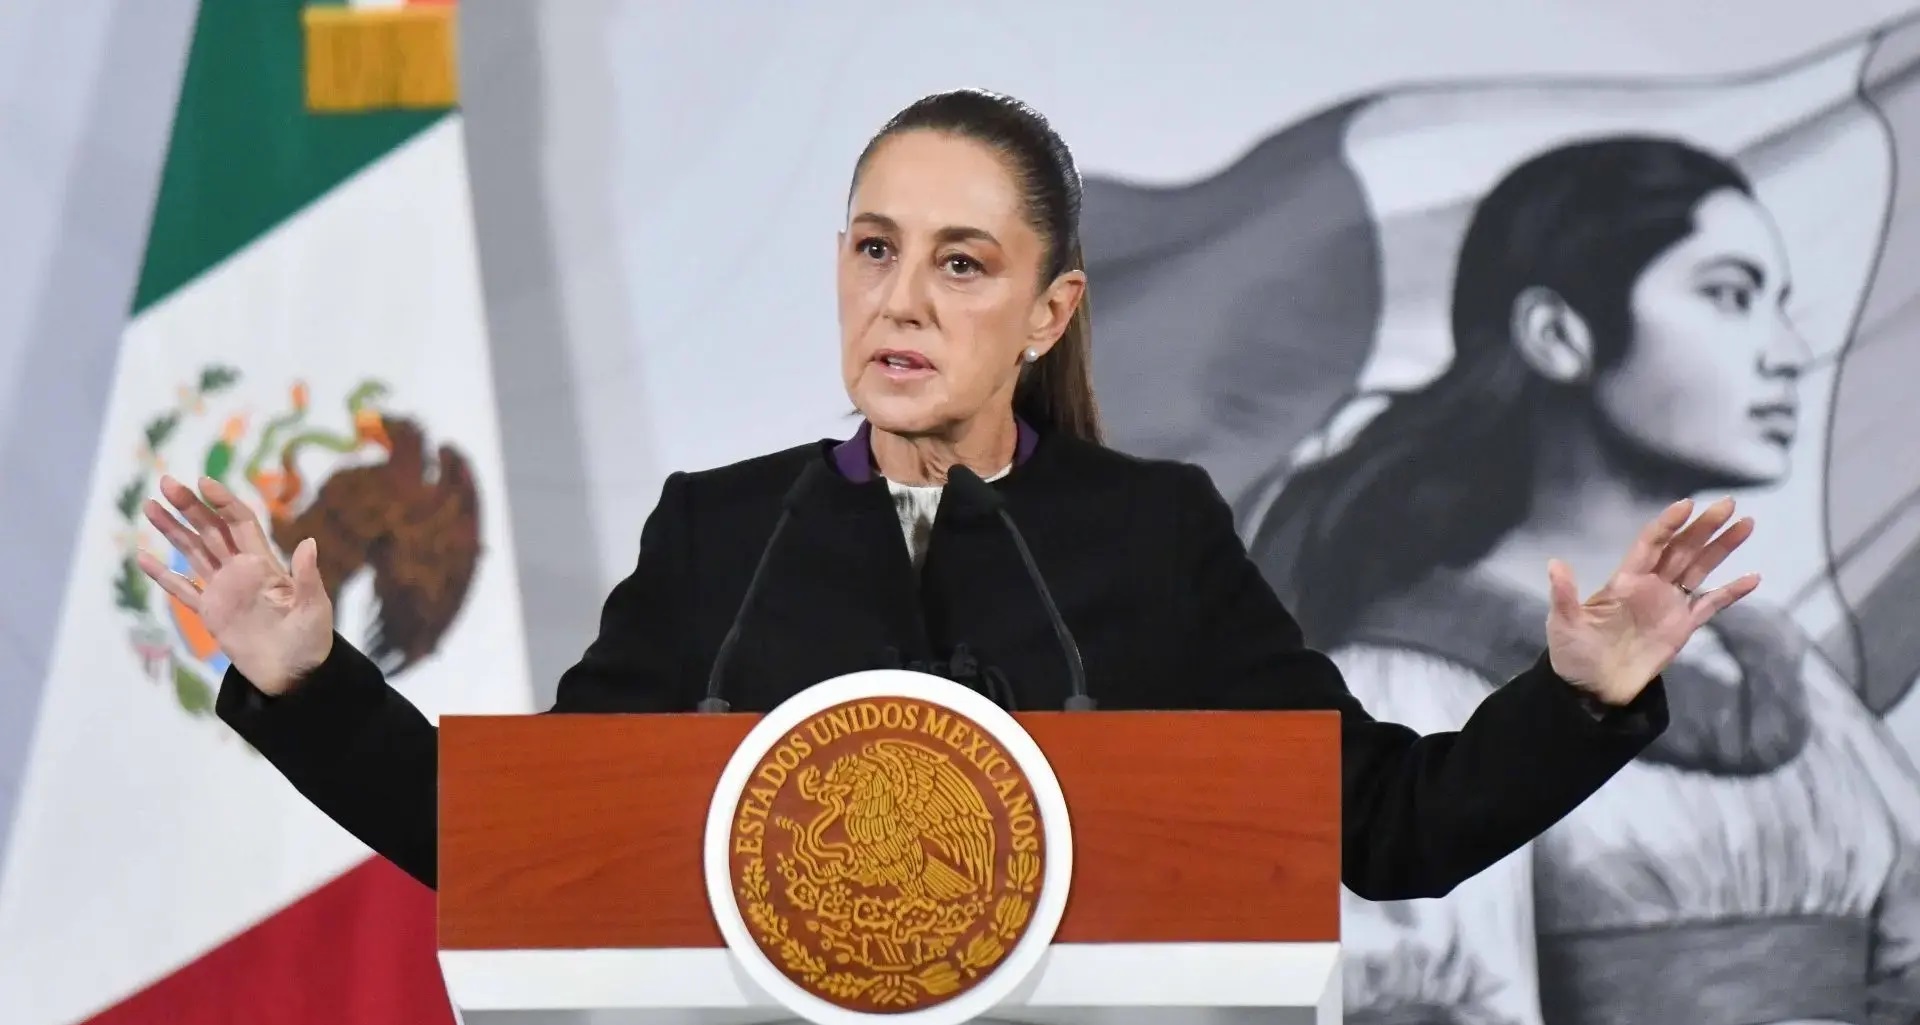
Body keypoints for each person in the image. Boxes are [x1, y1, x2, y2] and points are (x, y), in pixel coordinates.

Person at [136, 89, 1752, 903]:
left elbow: (1385, 829)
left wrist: (1583, 698)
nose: (900, 300)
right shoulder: (722, 533)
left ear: (1047, 314)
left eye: (961, 263)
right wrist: (306, 679)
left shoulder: (1152, 535)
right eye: (873, 249)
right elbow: (537, 852)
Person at [1244, 138, 1918, 1025]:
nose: (1789, 354)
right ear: (1558, 334)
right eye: (1729, 295)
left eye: (1780, 304)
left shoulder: (1785, 677)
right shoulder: (1406, 687)